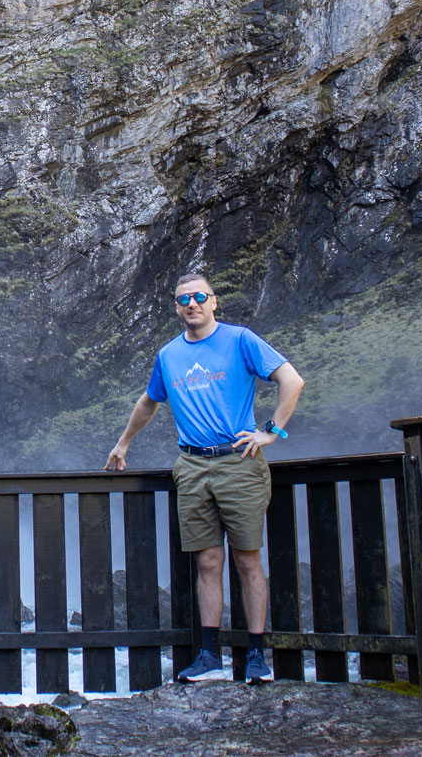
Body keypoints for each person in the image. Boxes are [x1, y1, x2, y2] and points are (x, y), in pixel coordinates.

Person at [105, 273, 304, 685]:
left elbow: (292, 379)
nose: (191, 304)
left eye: (199, 297)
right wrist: (124, 443)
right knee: (207, 561)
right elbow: (149, 401)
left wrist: (273, 431)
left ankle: (255, 656)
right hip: (192, 466)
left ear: (214, 302)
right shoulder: (169, 355)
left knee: (247, 559)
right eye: (183, 299)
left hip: (238, 462)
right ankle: (210, 658)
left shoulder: (240, 339)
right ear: (177, 308)